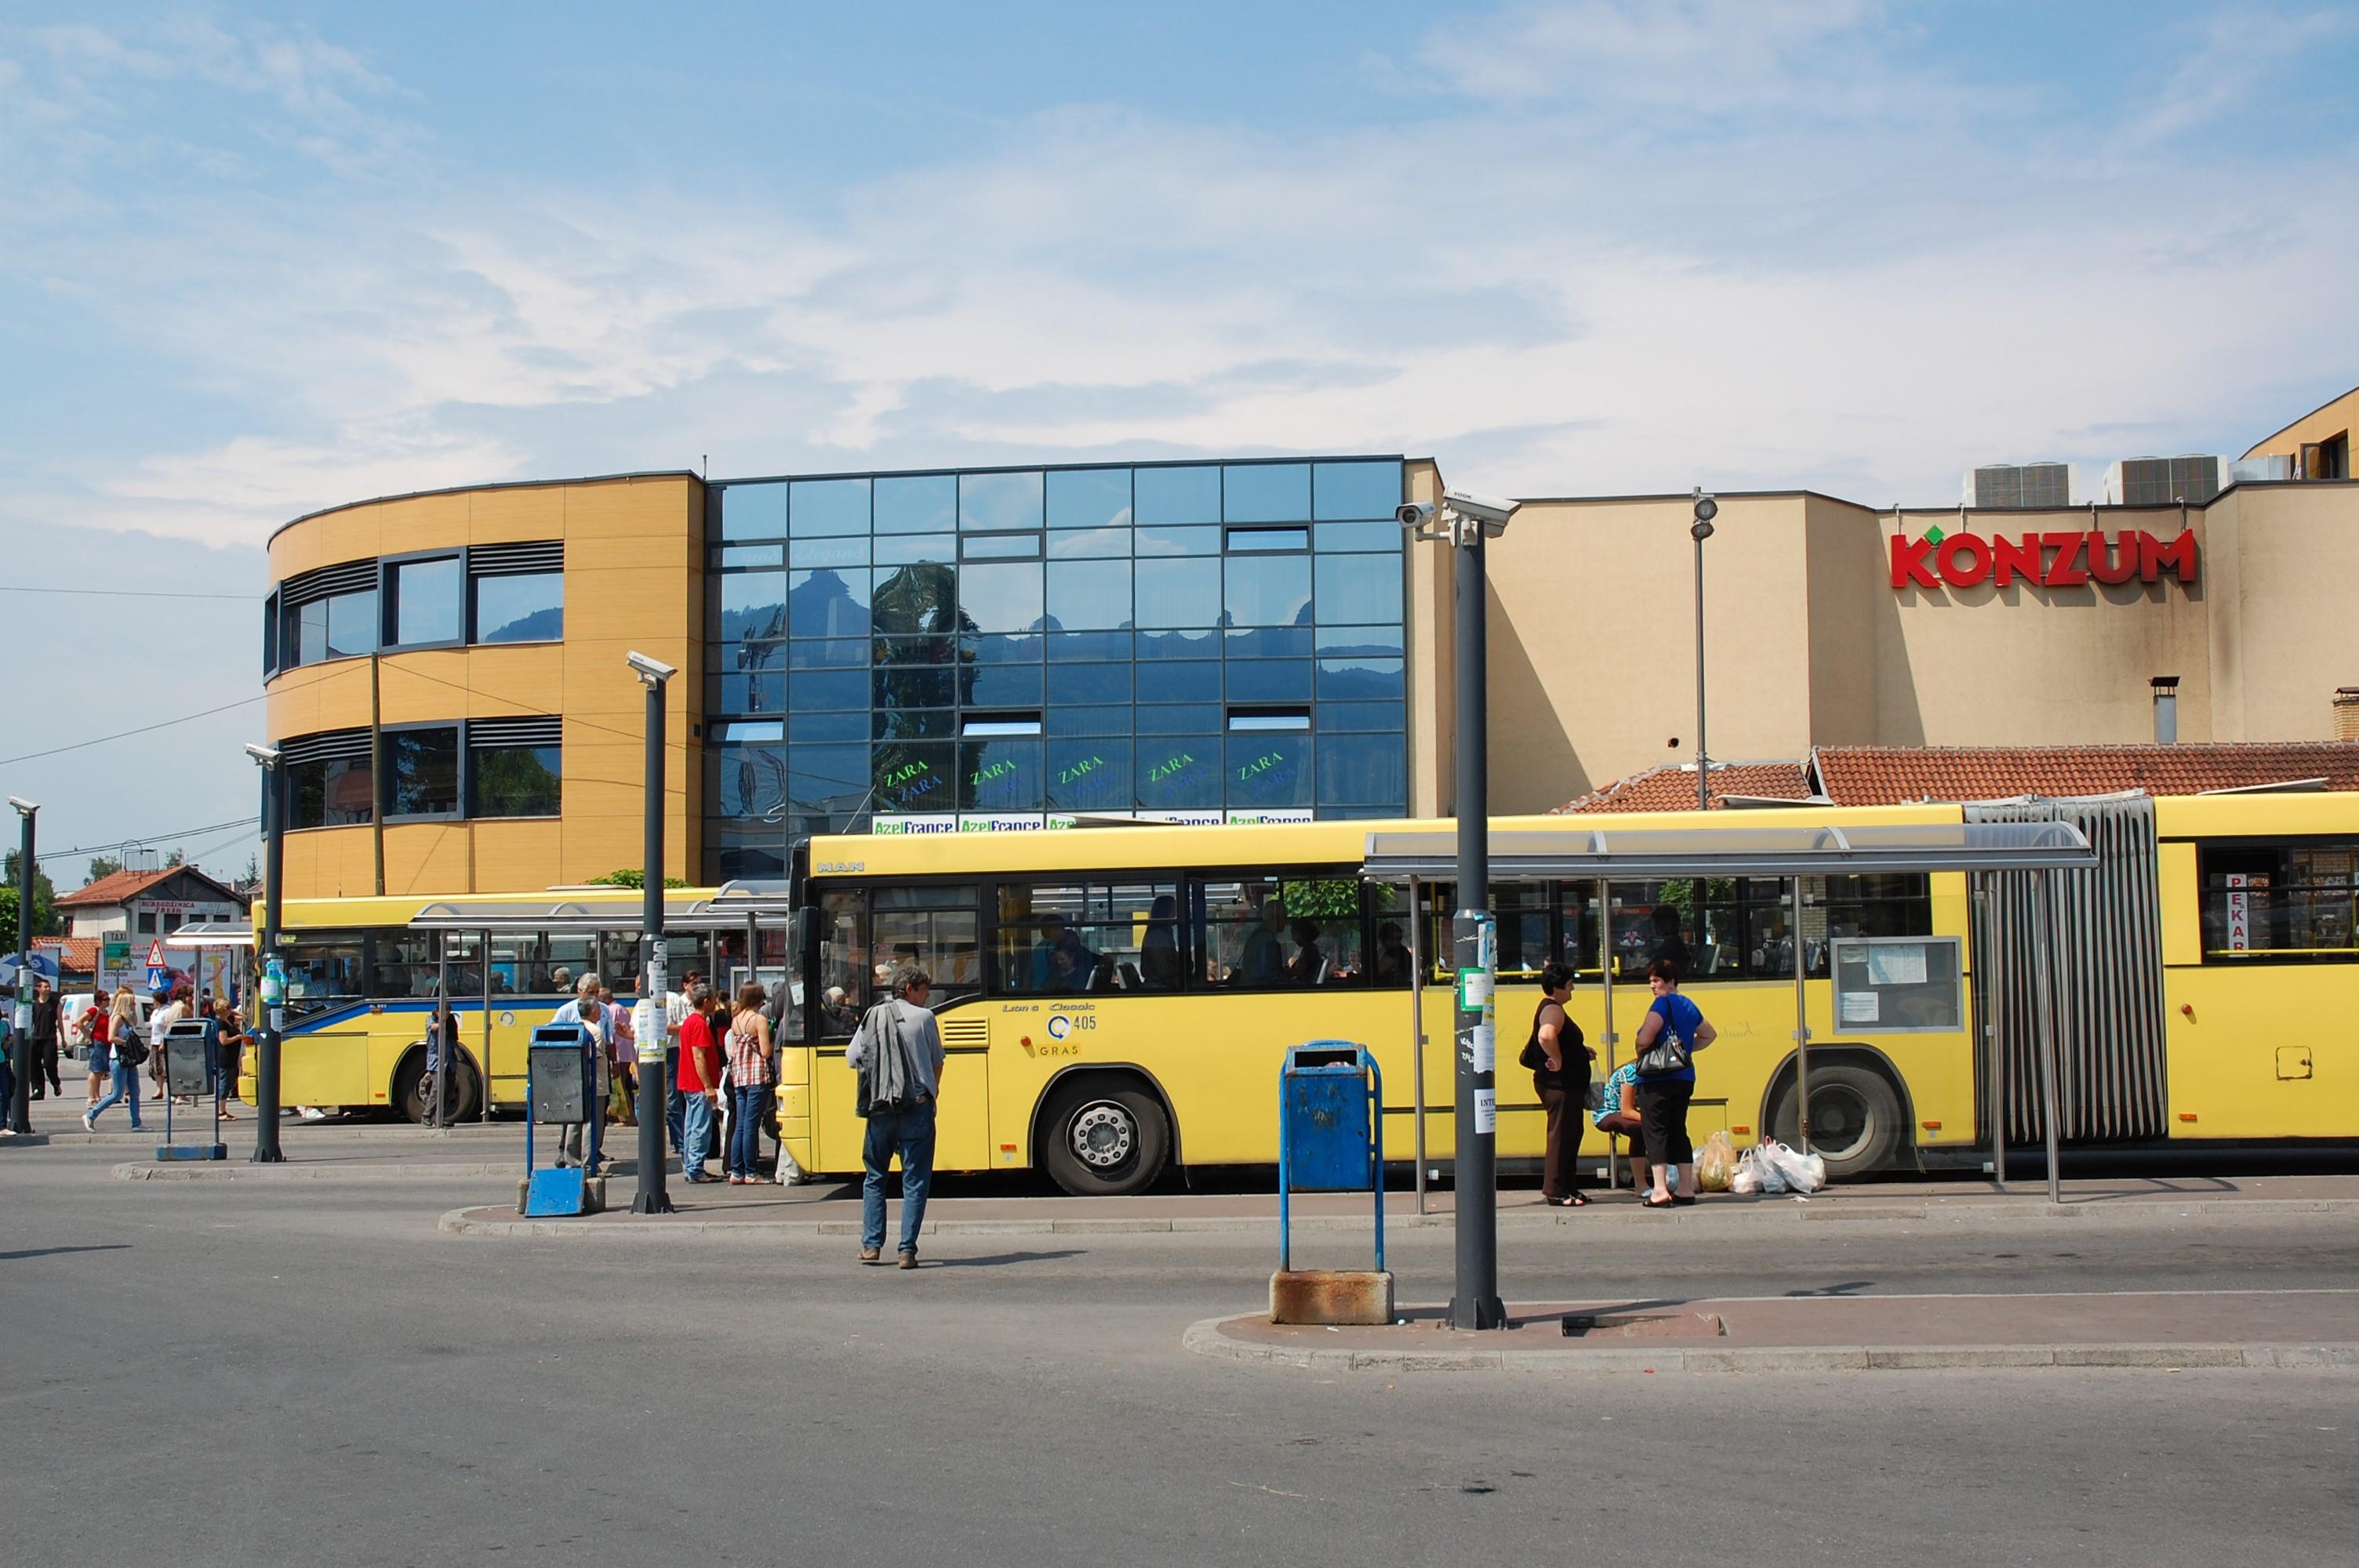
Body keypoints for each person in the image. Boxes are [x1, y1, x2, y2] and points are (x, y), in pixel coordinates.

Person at [846, 965, 944, 1269]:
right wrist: (931, 1091)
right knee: (915, 1182)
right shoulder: (925, 1019)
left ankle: (871, 1246)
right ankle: (906, 1252)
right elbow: (937, 1061)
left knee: (875, 1177)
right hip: (917, 1107)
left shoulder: (874, 1015)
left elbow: (852, 1058)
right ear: (910, 989)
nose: (927, 996)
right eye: (924, 990)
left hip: (880, 1110)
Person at [1631, 956, 1715, 1209]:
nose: (1652, 986)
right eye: (1650, 981)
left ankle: (1659, 1190)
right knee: (1679, 1130)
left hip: (1657, 1079)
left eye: (1656, 980)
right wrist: (1685, 1052)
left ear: (1670, 982)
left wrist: (1639, 1047)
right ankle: (1686, 1188)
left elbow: (1646, 1038)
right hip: (1684, 1077)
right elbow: (1709, 1034)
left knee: (1655, 1131)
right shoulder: (1690, 1005)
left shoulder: (1661, 1005)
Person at [1528, 963, 1594, 1207]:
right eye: (1569, 985)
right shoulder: (1553, 1009)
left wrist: (1578, 1051)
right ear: (1557, 988)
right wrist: (1557, 1059)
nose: (1573, 989)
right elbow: (1546, 1035)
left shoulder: (1553, 1008)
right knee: (1561, 1135)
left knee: (1571, 1133)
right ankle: (1556, 1190)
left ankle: (1568, 1187)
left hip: (1567, 1085)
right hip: (1560, 1085)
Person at [547, 975, 609, 1171]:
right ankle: (586, 1161)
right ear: (580, 992)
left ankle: (572, 1159)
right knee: (589, 1121)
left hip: (574, 1078)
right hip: (590, 1079)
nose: (596, 997)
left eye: (598, 992)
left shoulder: (604, 1010)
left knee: (575, 1119)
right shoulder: (567, 1012)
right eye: (591, 993)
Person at [722, 983, 772, 1185]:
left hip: (739, 1076)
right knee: (751, 1125)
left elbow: (733, 1051)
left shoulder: (736, 1021)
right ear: (759, 998)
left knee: (741, 1125)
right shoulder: (759, 1019)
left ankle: (736, 1171)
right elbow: (766, 1051)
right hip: (757, 1075)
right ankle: (751, 1172)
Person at [676, 984, 723, 1182]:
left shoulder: (689, 1022)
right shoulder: (699, 1024)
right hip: (697, 1085)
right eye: (714, 1000)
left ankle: (691, 1166)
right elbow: (699, 1057)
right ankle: (695, 1168)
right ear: (706, 1002)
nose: (716, 1003)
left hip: (688, 1082)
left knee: (692, 1126)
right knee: (700, 1127)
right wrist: (708, 1086)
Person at [1590, 1057, 1652, 1192]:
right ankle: (1641, 1186)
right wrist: (1652, 1120)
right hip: (1606, 1113)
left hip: (1620, 1111)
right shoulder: (1631, 1071)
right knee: (1640, 1131)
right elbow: (1627, 1111)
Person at [85, 996, 144, 1131]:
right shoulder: (117, 1017)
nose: (134, 1004)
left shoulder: (126, 1019)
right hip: (119, 1058)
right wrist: (126, 1043)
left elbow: (135, 1023)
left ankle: (136, 1123)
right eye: (132, 1002)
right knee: (117, 1094)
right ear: (125, 1003)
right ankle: (91, 1115)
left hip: (129, 1059)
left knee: (135, 1092)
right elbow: (111, 1037)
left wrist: (134, 1010)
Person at [149, 988, 188, 1104]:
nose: (152, 1002)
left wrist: (163, 1042)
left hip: (163, 1041)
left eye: (154, 1000)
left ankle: (173, 1092)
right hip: (154, 1041)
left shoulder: (167, 1010)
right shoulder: (155, 1011)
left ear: (158, 1000)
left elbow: (168, 1026)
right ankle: (159, 1090)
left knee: (167, 1068)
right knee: (157, 1068)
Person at [1237, 898, 1287, 985]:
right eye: (1284, 917)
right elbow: (1272, 976)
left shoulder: (1256, 936)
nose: (1286, 922)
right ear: (1276, 918)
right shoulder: (1270, 941)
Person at [210, 1001, 246, 1121]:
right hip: (225, 1057)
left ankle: (223, 1110)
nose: (230, 1010)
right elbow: (223, 1041)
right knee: (225, 1083)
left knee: (230, 1082)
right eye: (228, 1008)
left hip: (232, 1056)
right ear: (223, 1010)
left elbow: (244, 1017)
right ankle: (220, 1111)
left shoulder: (229, 1020)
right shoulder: (220, 1023)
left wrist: (233, 1011)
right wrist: (238, 1037)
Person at [1140, 895, 1183, 990]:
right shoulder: (1157, 936)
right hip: (1159, 988)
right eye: (1174, 910)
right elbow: (1162, 970)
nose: (1177, 914)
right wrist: (1181, 967)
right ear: (1166, 912)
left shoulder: (1164, 933)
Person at [78, 989, 112, 1110]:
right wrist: (87, 1036)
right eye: (105, 999)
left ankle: (97, 1096)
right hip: (96, 1042)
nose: (108, 1001)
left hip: (105, 1043)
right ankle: (91, 1097)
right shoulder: (94, 1010)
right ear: (99, 1001)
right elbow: (79, 1022)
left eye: (108, 999)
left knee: (100, 1071)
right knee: (95, 1070)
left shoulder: (106, 1013)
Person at [31, 978, 61, 1100]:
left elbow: (60, 1021)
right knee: (34, 1065)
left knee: (49, 1064)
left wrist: (63, 1038)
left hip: (50, 1038)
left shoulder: (54, 1003)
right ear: (39, 989)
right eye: (45, 987)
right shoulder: (34, 1004)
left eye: (49, 987)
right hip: (36, 1037)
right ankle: (38, 1090)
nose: (48, 989)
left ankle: (55, 1083)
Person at [1650, 905, 1693, 978]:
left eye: (1657, 922)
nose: (1655, 927)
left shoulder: (1672, 947)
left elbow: (1656, 968)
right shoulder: (1673, 944)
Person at [1373, 921, 1413, 986]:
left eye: (1383, 941)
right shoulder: (1404, 951)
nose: (1383, 944)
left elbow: (1377, 972)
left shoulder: (1393, 952)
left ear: (1387, 940)